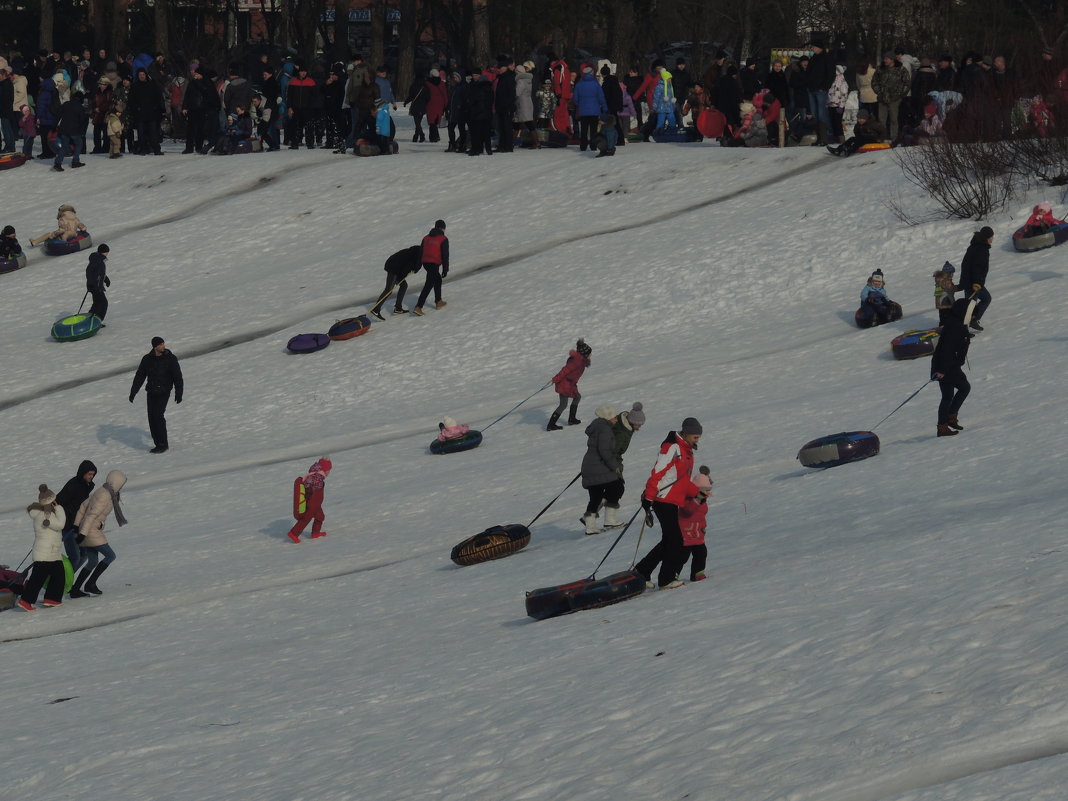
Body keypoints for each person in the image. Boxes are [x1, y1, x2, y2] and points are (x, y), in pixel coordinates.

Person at [634, 417, 703, 590]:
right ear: (685, 433)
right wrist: (649, 497)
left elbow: (683, 480)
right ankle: (665, 579)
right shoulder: (672, 447)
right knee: (676, 540)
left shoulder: (687, 451)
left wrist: (698, 494)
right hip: (661, 498)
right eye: (695, 437)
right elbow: (658, 472)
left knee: (669, 540)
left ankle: (642, 572)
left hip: (672, 500)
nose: (698, 440)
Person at [70, 469, 128, 596]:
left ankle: (75, 589)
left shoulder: (103, 490)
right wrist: (83, 534)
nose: (122, 487)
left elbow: (82, 507)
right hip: (90, 531)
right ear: (116, 482)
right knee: (110, 555)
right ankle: (90, 584)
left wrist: (76, 526)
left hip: (88, 529)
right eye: (121, 484)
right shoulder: (105, 496)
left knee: (92, 561)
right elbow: (91, 515)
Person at [16, 485, 68, 611]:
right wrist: (59, 508)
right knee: (37, 579)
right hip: (45, 553)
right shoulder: (46, 515)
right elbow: (61, 524)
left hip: (52, 552)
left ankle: (52, 598)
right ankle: (25, 601)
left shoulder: (46, 513)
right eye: (54, 500)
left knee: (59, 575)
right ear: (51, 501)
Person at [129, 336, 184, 453]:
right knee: (152, 418)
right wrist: (133, 391)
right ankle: (158, 443)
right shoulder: (147, 359)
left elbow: (177, 377)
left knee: (158, 416)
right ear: (155, 347)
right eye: (160, 344)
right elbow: (140, 376)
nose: (163, 346)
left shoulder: (171, 359)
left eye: (163, 343)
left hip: (164, 391)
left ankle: (163, 444)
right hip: (151, 392)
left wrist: (179, 393)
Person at [579, 405, 624, 535]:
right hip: (597, 466)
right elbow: (604, 450)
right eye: (615, 417)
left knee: (596, 496)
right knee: (617, 487)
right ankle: (610, 520)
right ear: (608, 417)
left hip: (591, 465)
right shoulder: (605, 429)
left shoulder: (598, 426)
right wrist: (614, 466)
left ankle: (590, 527)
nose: (616, 419)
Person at [931, 298, 972, 437]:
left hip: (945, 365)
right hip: (947, 366)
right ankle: (948, 420)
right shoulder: (956, 326)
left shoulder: (955, 323)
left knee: (947, 396)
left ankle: (944, 424)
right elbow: (946, 350)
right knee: (964, 388)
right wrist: (942, 370)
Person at [55, 459, 97, 570]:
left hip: (79, 526)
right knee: (75, 558)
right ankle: (61, 583)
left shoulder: (86, 486)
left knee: (84, 556)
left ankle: (68, 582)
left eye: (93, 474)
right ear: (83, 472)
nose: (91, 476)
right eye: (89, 474)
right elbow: (57, 501)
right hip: (68, 527)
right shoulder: (73, 485)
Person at [548, 339, 591, 430]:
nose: (591, 354)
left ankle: (571, 419)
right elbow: (564, 371)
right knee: (563, 405)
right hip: (565, 385)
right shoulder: (576, 361)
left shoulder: (581, 360)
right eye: (590, 353)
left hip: (570, 384)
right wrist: (554, 379)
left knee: (577, 397)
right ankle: (551, 425)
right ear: (585, 354)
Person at [369, 244, 422, 319]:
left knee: (404, 286)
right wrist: (413, 270)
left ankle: (398, 308)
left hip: (396, 266)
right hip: (393, 267)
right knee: (389, 289)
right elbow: (405, 269)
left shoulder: (415, 252)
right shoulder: (415, 257)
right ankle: (376, 309)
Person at [680, 466, 713, 582]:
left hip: (697, 533)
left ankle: (697, 573)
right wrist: (698, 499)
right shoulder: (689, 499)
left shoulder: (702, 501)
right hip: (686, 533)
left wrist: (703, 528)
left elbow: (700, 517)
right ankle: (673, 574)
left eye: (709, 490)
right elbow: (689, 510)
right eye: (706, 490)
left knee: (701, 553)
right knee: (682, 556)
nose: (709, 493)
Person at [288, 457, 332, 542]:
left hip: (315, 503)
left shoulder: (314, 474)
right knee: (306, 518)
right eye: (329, 470)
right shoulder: (318, 478)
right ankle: (293, 533)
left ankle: (315, 533)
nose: (329, 472)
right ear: (325, 469)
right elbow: (315, 492)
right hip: (313, 503)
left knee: (320, 517)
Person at [957, 226, 992, 331]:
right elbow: (977, 267)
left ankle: (973, 320)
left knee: (985, 299)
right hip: (972, 283)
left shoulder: (977, 246)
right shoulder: (981, 248)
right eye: (991, 236)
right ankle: (962, 331)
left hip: (974, 282)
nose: (992, 238)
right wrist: (976, 283)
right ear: (986, 237)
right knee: (970, 307)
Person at [412, 224, 449, 316]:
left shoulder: (426, 238)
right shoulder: (443, 238)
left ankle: (438, 301)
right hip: (434, 263)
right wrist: (445, 269)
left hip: (426, 263)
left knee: (437, 279)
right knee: (429, 284)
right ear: (442, 228)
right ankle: (418, 307)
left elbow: (421, 252)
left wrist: (418, 266)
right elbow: (445, 255)